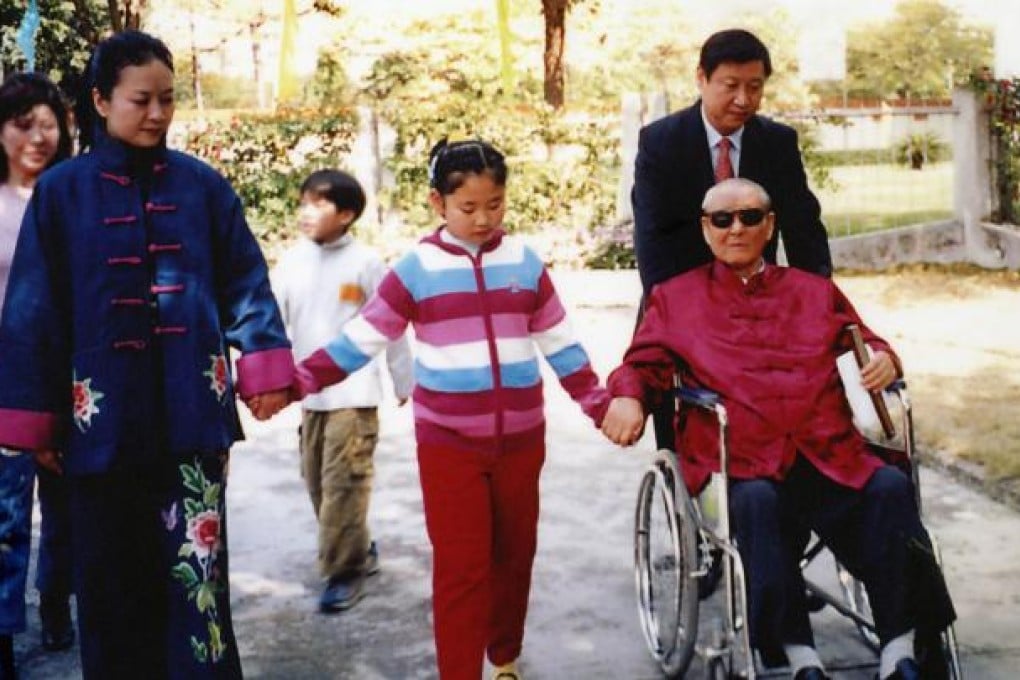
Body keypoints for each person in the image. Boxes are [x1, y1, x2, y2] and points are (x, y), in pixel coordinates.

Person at [0, 31, 292, 679]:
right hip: (96, 430)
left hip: (192, 423)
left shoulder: (203, 188)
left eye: (167, 99)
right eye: (141, 100)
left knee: (196, 583)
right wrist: (36, 419)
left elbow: (245, 279)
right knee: (108, 587)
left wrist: (263, 360)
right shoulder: (62, 193)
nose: (157, 113)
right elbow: (33, 309)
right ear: (101, 101)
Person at [602, 178, 955, 680]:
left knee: (889, 487)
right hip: (742, 463)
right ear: (705, 229)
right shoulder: (674, 299)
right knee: (758, 504)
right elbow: (642, 365)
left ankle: (898, 650)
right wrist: (627, 396)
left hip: (828, 454)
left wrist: (883, 359)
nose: (736, 228)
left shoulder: (814, 291)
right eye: (722, 219)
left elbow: (866, 341)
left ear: (769, 227)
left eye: (750, 217)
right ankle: (800, 657)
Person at [285, 139, 610, 680]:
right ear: (438, 203)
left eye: (495, 204)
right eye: (468, 207)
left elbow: (559, 341)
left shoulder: (525, 262)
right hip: (448, 446)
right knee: (462, 568)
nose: (483, 219)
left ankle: (504, 659)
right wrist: (298, 381)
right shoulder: (417, 269)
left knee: (515, 558)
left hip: (522, 442)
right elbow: (364, 337)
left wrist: (598, 402)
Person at [631, 28, 833, 449]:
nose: (744, 99)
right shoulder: (661, 143)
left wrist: (815, 305)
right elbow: (653, 241)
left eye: (754, 87)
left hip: (760, 312)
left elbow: (804, 231)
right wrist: (681, 316)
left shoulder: (777, 143)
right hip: (684, 309)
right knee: (686, 434)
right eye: (731, 86)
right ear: (701, 78)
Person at [271, 168, 414, 613]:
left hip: (355, 395)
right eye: (303, 203)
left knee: (343, 484)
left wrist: (402, 378)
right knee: (317, 481)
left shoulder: (366, 263)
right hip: (310, 395)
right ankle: (358, 546)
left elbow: (392, 324)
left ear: (347, 214)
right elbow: (272, 322)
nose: (306, 212)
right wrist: (268, 377)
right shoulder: (291, 262)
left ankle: (344, 572)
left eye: (319, 204)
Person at [0, 71, 76, 677]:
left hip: (68, 370)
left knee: (66, 500)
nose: (37, 137)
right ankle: (3, 626)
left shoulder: (75, 196)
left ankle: (55, 599)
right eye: (22, 124)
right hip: (3, 375)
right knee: (5, 508)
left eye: (47, 125)